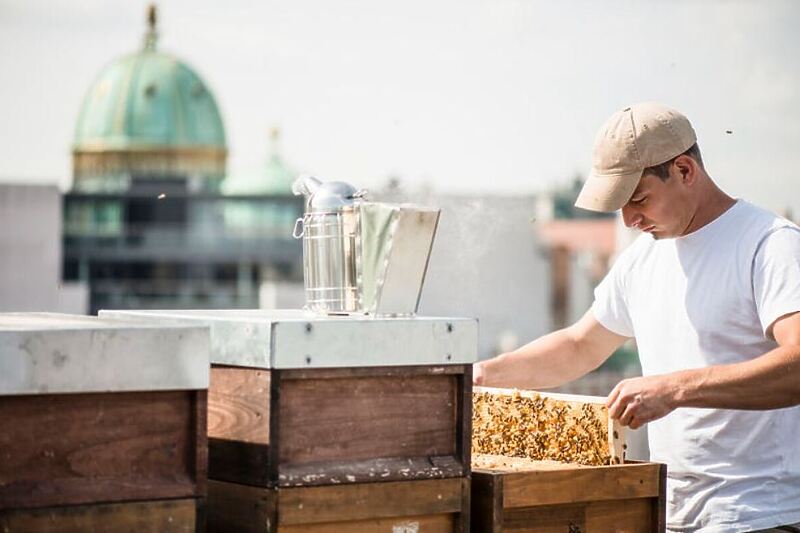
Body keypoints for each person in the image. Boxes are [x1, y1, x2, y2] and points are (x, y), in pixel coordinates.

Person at [474, 102, 800, 532]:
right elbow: (580, 345)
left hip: (758, 514)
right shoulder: (641, 259)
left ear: (685, 171)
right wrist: (483, 375)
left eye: (639, 199)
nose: (629, 218)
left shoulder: (769, 244)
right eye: (620, 206)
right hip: (670, 511)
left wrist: (675, 388)